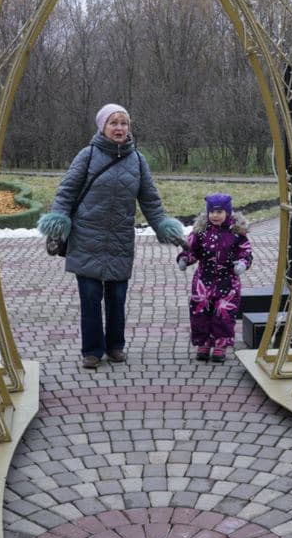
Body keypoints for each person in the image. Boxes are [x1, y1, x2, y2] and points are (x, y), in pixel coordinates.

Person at [38, 104, 185, 369]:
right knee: (91, 297)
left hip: (120, 239)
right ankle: (92, 351)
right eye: (114, 123)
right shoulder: (88, 155)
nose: (119, 128)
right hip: (86, 237)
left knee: (117, 298)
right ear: (102, 127)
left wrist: (163, 225)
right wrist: (59, 220)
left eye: (124, 123)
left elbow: (150, 200)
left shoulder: (138, 160)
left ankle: (115, 346)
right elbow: (66, 191)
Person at [176, 192, 252, 362]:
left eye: (219, 212)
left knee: (224, 313)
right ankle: (203, 342)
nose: (215, 216)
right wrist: (185, 259)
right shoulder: (201, 232)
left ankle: (220, 344)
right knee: (200, 312)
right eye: (212, 212)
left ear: (227, 213)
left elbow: (246, 251)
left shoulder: (237, 233)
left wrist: (242, 263)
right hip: (204, 280)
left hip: (228, 281)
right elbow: (192, 250)